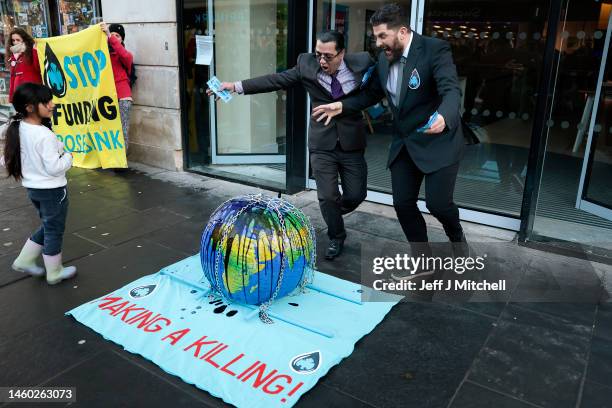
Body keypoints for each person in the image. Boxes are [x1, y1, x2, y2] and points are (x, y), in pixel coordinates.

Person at [313, 4, 469, 281]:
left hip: (439, 142)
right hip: (405, 144)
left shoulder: (435, 49)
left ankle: (457, 237)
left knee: (438, 204)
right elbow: (370, 95)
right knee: (403, 203)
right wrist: (342, 106)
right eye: (375, 37)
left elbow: (450, 89)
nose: (378, 43)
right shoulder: (384, 59)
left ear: (403, 32)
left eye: (382, 36)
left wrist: (445, 115)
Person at [208, 30, 373, 260]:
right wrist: (234, 86)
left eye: (328, 56)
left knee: (356, 194)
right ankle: (337, 236)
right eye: (318, 55)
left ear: (342, 53)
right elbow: (274, 80)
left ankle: (333, 213)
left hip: (351, 143)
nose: (322, 61)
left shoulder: (363, 63)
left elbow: (376, 90)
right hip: (322, 142)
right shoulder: (307, 66)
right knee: (327, 197)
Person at [2, 83, 76, 285]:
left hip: (34, 189)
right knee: (54, 230)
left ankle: (24, 260)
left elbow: (13, 158)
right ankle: (55, 271)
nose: (52, 105)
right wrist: (68, 157)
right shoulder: (44, 134)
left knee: (49, 224)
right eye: (46, 101)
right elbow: (54, 167)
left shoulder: (18, 128)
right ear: (29, 107)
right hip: (52, 190)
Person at [100, 22, 133, 155]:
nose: (113, 37)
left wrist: (109, 35)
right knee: (108, 131)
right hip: (107, 97)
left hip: (122, 97)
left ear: (122, 39)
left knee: (122, 130)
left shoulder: (125, 54)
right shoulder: (103, 54)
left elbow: (125, 56)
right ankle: (112, 157)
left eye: (117, 36)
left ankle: (121, 160)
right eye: (112, 35)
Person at [5, 28, 42, 103]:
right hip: (20, 94)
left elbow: (38, 68)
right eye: (13, 40)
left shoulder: (32, 51)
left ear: (24, 39)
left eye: (18, 40)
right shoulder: (13, 55)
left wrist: (35, 50)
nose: (15, 42)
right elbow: (13, 77)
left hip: (32, 92)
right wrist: (12, 97)